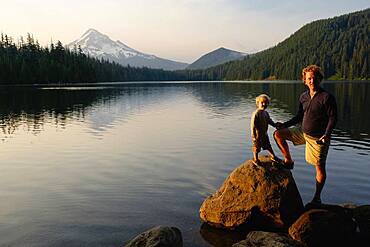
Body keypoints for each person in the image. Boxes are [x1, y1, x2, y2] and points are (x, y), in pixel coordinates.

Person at [274, 65, 337, 204]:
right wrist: (284, 125)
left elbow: (333, 118)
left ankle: (317, 197)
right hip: (302, 132)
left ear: (320, 79)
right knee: (278, 134)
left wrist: (326, 135)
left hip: (318, 138)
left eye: (314, 78)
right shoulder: (303, 96)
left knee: (319, 167)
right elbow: (299, 116)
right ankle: (288, 161)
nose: (312, 81)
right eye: (309, 78)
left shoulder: (326, 97)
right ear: (304, 80)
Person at [250, 94, 281, 165]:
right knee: (256, 147)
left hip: (264, 133)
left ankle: (273, 156)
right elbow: (253, 126)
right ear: (258, 104)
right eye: (262, 103)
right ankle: (255, 159)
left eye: (266, 103)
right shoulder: (256, 113)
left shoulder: (265, 113)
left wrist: (275, 125)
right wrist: (254, 136)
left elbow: (269, 121)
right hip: (257, 135)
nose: (264, 104)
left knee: (268, 145)